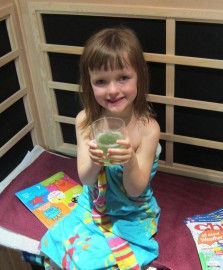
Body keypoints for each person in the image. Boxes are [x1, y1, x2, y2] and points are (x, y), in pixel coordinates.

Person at [40, 27, 161, 270]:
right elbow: (86, 178)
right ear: (89, 84)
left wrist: (130, 161)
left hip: (131, 211)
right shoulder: (85, 120)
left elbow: (136, 190)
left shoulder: (148, 128)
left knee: (95, 260)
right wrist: (95, 159)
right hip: (92, 203)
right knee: (54, 244)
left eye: (123, 78)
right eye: (101, 81)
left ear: (140, 75)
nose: (113, 90)